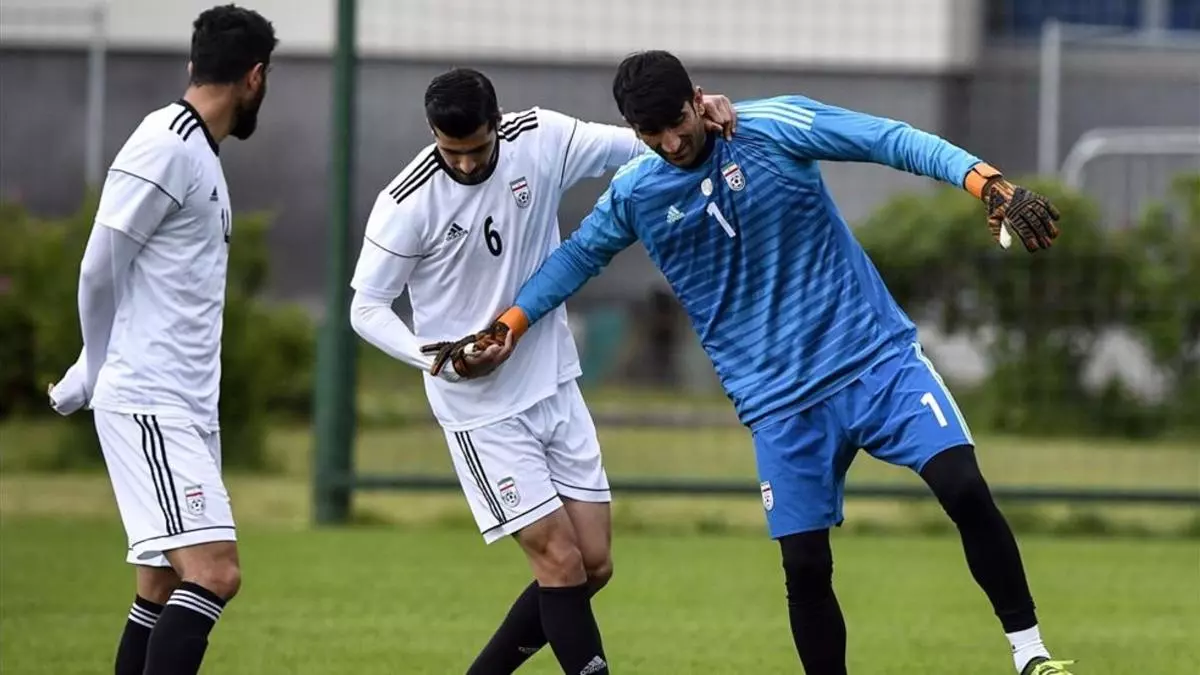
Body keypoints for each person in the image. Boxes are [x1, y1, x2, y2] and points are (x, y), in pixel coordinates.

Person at [428, 50, 1076, 675]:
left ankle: (1030, 653)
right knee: (805, 566)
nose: (671, 143)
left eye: (677, 123)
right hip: (778, 403)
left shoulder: (773, 126)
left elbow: (890, 139)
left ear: (697, 99)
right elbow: (577, 257)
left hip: (874, 360)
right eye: (651, 134)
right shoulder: (636, 190)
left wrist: (988, 184)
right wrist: (510, 325)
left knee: (963, 486)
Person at [347, 67, 735, 674]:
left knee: (593, 564)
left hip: (553, 381)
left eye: (477, 149)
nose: (466, 165)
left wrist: (710, 114)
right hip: (482, 412)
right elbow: (366, 308)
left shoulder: (540, 137)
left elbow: (642, 142)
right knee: (558, 562)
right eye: (451, 152)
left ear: (497, 125)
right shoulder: (407, 202)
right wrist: (440, 357)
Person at [46, 5, 277, 674]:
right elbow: (99, 265)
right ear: (255, 77)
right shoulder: (167, 144)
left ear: (193, 64)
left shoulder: (198, 151)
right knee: (215, 571)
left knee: (161, 583)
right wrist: (92, 364)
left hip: (183, 404)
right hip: (151, 400)